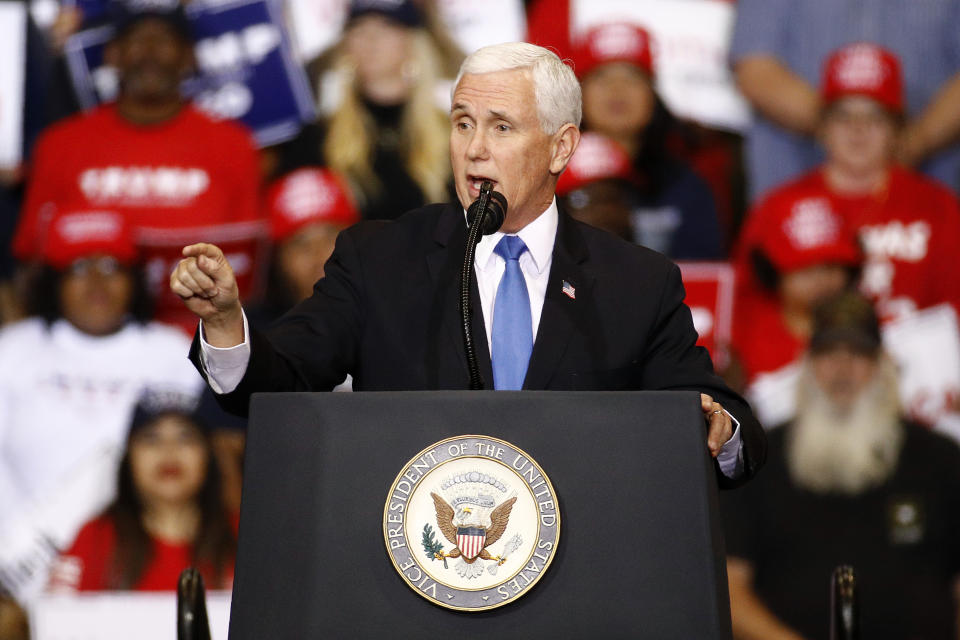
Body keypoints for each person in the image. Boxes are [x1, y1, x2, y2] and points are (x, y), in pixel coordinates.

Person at [170, 42, 766, 486]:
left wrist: (719, 428)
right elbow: (281, 380)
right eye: (462, 124)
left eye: (501, 127)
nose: (474, 149)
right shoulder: (380, 259)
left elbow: (720, 419)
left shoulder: (634, 281)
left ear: (561, 146)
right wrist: (226, 321)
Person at [11, 0, 265, 334]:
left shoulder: (235, 146)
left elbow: (251, 274)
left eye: (162, 40)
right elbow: (30, 264)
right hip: (83, 348)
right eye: (135, 41)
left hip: (199, 345)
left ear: (188, 57)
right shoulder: (59, 144)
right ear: (112, 55)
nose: (148, 53)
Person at [721, 292, 960, 640]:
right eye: (827, 353)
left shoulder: (940, 459)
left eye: (858, 354)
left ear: (883, 366)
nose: (842, 368)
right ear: (806, 365)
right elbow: (729, 587)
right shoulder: (758, 459)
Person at [0, 209, 202, 602]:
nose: (96, 282)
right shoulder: (12, 352)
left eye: (112, 266)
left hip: (138, 571)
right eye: (78, 267)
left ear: (135, 279)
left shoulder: (173, 353)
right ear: (53, 281)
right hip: (18, 571)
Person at [731, 0, 960, 201]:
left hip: (931, 187)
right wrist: (845, 134)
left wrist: (913, 142)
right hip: (793, 185)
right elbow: (755, 70)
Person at [277, 0, 453, 221]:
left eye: (386, 27)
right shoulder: (314, 140)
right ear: (345, 43)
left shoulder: (454, 135)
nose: (371, 41)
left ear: (413, 42)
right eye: (359, 28)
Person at [48, 389, 236, 592]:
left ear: (209, 454)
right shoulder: (95, 538)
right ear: (128, 458)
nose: (169, 451)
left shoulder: (244, 537)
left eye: (185, 437)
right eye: (151, 438)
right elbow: (58, 617)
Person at [573, 23, 725, 259]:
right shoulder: (549, 177)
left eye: (633, 76)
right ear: (577, 93)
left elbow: (704, 274)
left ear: (653, 94)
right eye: (601, 76)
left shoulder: (686, 185)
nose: (617, 89)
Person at [731, 187, 862, 426]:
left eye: (832, 266)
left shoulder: (869, 327)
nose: (821, 281)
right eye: (805, 269)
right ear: (771, 270)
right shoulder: (744, 332)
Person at [246, 167, 360, 329]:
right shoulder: (259, 342)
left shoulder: (396, 319)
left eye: (330, 236)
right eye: (300, 243)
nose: (319, 254)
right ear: (278, 261)